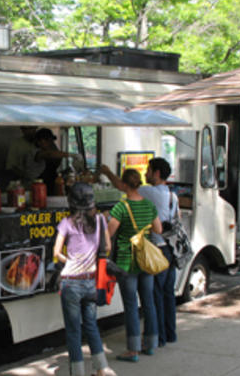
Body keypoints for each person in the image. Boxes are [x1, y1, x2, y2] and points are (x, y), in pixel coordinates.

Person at [99, 166, 163, 362]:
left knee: (131, 305)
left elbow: (108, 233)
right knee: (149, 302)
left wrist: (103, 219)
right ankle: (150, 344)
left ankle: (133, 350)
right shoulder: (149, 205)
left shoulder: (121, 207)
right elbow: (159, 229)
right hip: (146, 260)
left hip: (127, 262)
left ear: (124, 185)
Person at [53, 182, 114, 376]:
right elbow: (107, 248)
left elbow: (56, 253)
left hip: (71, 283)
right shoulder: (101, 221)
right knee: (91, 325)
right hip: (91, 282)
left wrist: (69, 259)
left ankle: (77, 373)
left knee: (73, 331)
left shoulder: (66, 224)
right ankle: (102, 368)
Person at [137, 158, 178, 347]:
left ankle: (158, 336)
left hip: (158, 248)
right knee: (168, 293)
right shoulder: (172, 195)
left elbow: (126, 187)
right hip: (172, 248)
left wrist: (107, 172)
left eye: (148, 170)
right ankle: (170, 333)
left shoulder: (150, 192)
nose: (146, 174)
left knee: (156, 294)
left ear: (157, 173)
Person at [34, 128, 85, 194]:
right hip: (36, 185)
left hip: (50, 183)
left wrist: (70, 169)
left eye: (52, 141)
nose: (51, 144)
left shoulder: (52, 148)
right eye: (48, 141)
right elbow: (49, 154)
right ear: (39, 142)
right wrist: (72, 155)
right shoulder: (36, 152)